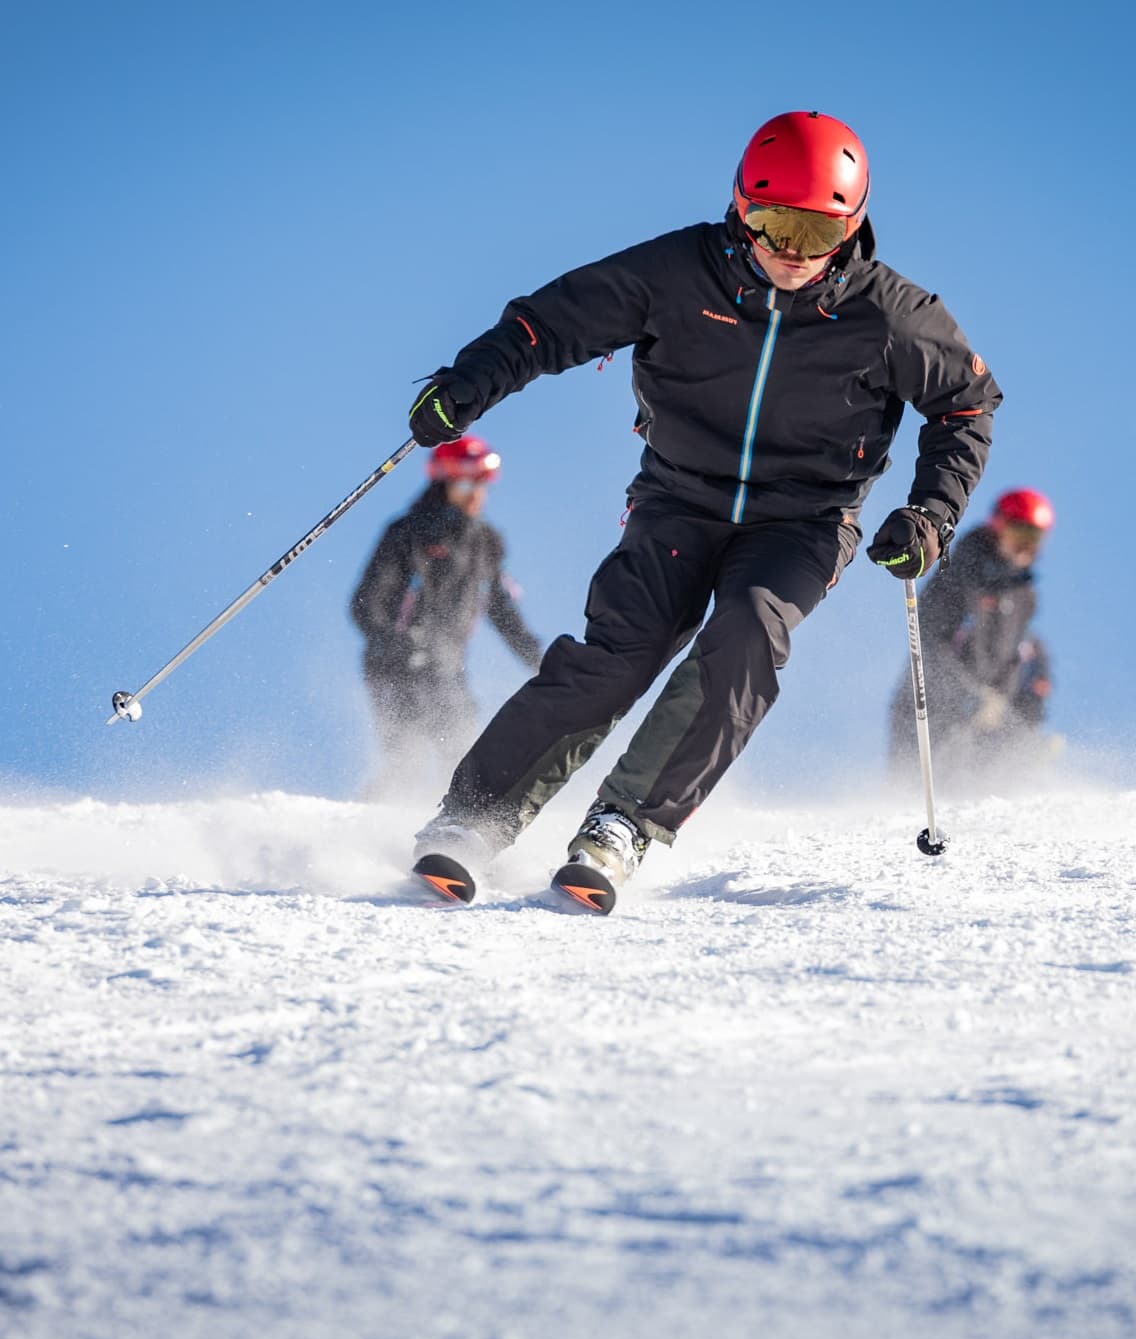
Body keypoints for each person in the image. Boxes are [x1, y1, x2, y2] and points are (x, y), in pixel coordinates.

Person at [404, 110, 1003, 912]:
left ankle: (622, 824)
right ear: (740, 207)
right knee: (618, 652)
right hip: (679, 501)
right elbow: (549, 323)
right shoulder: (678, 273)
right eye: (771, 223)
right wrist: (471, 380)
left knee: (747, 637)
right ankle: (473, 820)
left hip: (805, 522)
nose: (789, 252)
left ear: (852, 226)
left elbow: (967, 408)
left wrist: (928, 516)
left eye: (812, 229)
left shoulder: (889, 315)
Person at [350, 435, 543, 792]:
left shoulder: (485, 541)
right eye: (466, 483)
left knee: (463, 755)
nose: (475, 494)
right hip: (395, 665)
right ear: (444, 483)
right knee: (405, 759)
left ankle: (451, 832)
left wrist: (540, 661)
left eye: (482, 485)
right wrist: (397, 643)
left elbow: (502, 610)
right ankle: (371, 820)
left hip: (447, 666)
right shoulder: (408, 532)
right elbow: (365, 603)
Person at [891, 487, 1055, 776]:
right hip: (931, 715)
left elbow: (1019, 652)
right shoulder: (959, 575)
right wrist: (969, 695)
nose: (1025, 546)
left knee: (992, 793)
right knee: (930, 792)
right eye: (1019, 534)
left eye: (1034, 538)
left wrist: (1016, 710)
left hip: (981, 725)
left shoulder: (1023, 595)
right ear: (998, 528)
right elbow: (927, 642)